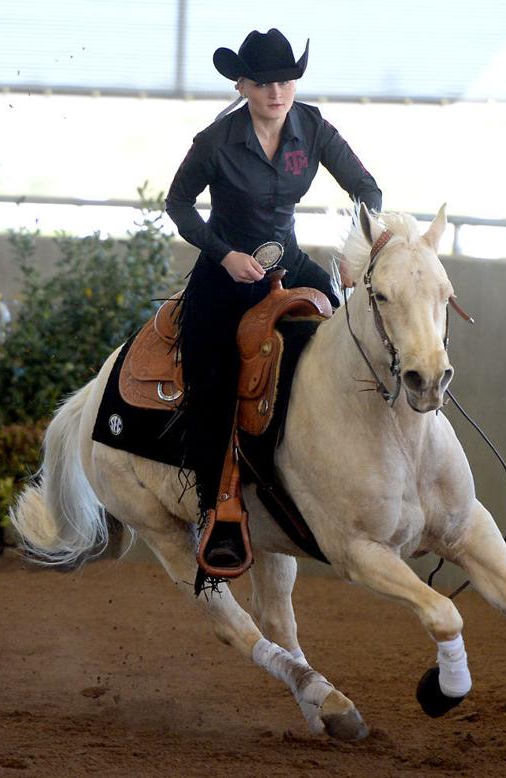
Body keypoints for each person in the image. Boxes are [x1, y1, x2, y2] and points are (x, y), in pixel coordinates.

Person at [165, 28, 382, 581]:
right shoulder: (215, 141)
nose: (276, 91)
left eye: (285, 80)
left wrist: (359, 252)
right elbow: (179, 202)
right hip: (226, 271)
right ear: (242, 85)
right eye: (263, 83)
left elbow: (367, 189)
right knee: (212, 380)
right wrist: (224, 253)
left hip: (290, 262)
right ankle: (219, 510)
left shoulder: (313, 128)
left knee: (356, 331)